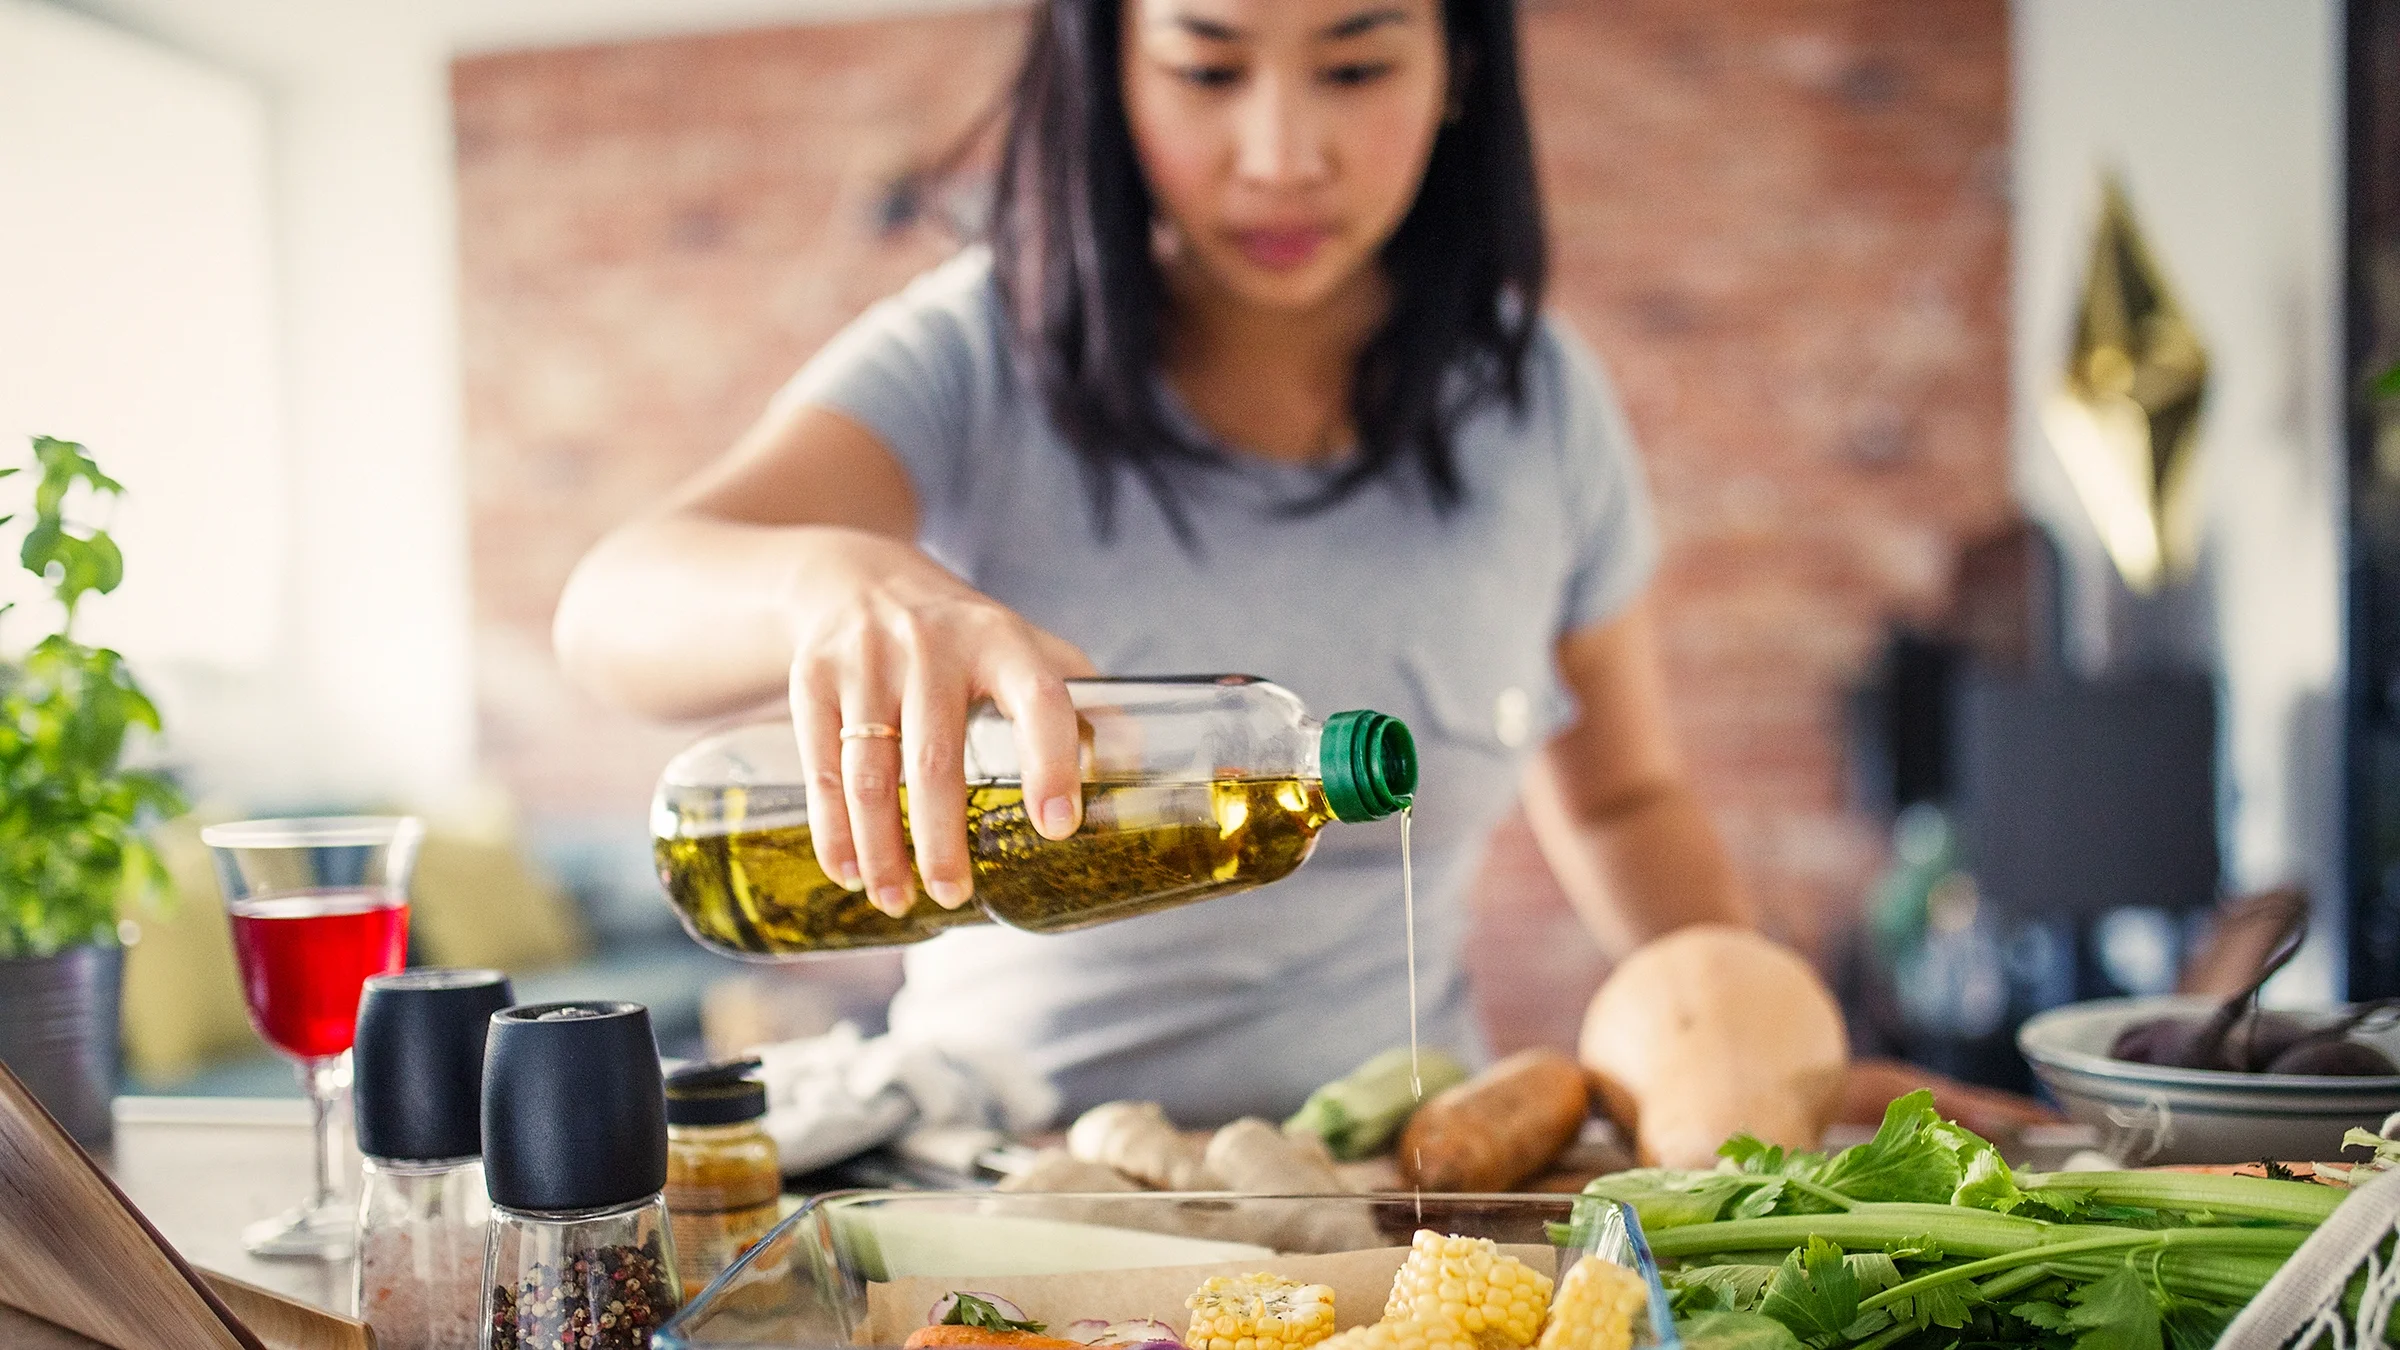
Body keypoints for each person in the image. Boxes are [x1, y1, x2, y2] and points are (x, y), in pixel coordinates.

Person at [556, 0, 1751, 1124]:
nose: (1282, 154)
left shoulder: (1539, 401)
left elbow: (1623, 795)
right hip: (1003, 1186)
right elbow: (611, 610)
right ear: (1110, 70)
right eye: (1208, 69)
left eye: (1355, 67)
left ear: (1459, 72)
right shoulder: (978, 353)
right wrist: (838, 586)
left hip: (1401, 1185)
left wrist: (1764, 1047)